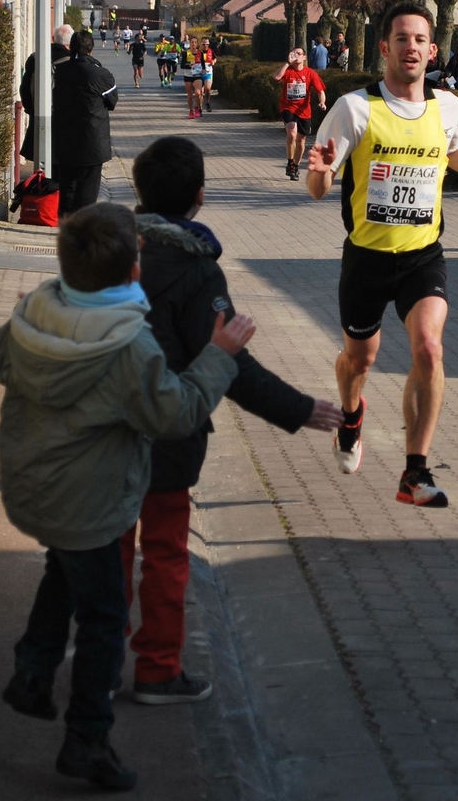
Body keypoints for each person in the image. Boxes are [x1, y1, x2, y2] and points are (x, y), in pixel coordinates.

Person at [0, 202, 255, 791]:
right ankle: (87, 739)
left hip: (33, 485)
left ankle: (31, 672)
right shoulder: (130, 345)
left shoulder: (37, 310)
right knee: (105, 619)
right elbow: (174, 413)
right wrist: (218, 358)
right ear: (134, 270)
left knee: (62, 567)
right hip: (94, 498)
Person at [119, 136, 343, 705]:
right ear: (199, 196)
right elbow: (229, 366)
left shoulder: (108, 252)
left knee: (107, 551)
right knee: (166, 553)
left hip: (106, 432)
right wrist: (302, 410)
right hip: (169, 432)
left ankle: (96, 669)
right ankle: (157, 670)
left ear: (139, 192)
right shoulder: (198, 271)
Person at [306, 0, 458, 507]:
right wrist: (323, 169)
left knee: (430, 349)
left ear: (432, 49)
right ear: (385, 48)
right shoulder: (355, 108)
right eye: (401, 39)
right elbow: (316, 186)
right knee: (359, 360)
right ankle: (351, 417)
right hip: (367, 259)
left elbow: (450, 146)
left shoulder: (447, 106)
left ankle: (415, 472)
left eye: (419, 40)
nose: (411, 48)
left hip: (422, 255)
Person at [52, 30, 118, 217]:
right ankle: (82, 227)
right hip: (92, 142)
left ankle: (65, 222)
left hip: (66, 139)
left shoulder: (61, 72)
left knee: (67, 186)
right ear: (91, 48)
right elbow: (112, 101)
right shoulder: (101, 75)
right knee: (88, 190)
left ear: (71, 48)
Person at [19, 24, 74, 178]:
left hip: (39, 119)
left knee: (41, 172)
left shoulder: (36, 58)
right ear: (71, 44)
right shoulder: (73, 62)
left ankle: (44, 197)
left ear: (53, 39)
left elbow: (24, 89)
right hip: (65, 124)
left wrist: (33, 111)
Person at [273, 47, 326, 181]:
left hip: (304, 110)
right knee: (292, 132)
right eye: (294, 53)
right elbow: (276, 77)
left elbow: (320, 91)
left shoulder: (310, 73)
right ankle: (290, 162)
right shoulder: (288, 70)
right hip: (288, 107)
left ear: (304, 57)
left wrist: (322, 102)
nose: (296, 55)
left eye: (299, 54)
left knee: (301, 141)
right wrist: (287, 62)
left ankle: (295, 166)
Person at [180, 36, 203, 118]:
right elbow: (182, 65)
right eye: (192, 42)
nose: (193, 44)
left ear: (197, 44)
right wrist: (189, 65)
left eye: (195, 42)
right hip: (188, 75)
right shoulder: (186, 53)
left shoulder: (200, 53)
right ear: (190, 43)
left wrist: (204, 70)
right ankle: (191, 110)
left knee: (197, 93)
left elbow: (202, 64)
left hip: (197, 75)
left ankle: (197, 108)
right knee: (190, 95)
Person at [199, 36, 217, 111]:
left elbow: (215, 58)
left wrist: (213, 62)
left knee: (208, 88)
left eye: (207, 44)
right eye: (204, 44)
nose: (205, 46)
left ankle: (207, 102)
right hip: (199, 74)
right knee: (200, 92)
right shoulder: (198, 52)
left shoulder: (211, 51)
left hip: (208, 72)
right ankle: (199, 107)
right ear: (201, 44)